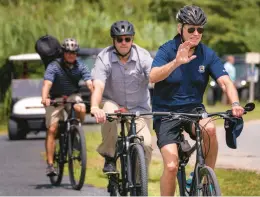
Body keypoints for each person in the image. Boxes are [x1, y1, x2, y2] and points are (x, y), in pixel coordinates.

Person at [149, 5, 244, 196]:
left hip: (193, 110)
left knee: (209, 128)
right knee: (171, 165)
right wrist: (177, 62)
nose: (196, 33)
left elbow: (226, 82)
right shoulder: (167, 50)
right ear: (180, 28)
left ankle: (205, 177)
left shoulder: (207, 54)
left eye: (200, 29)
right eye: (191, 29)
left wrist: (235, 103)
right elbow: (153, 76)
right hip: (166, 113)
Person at [90, 20, 153, 174]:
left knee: (146, 145)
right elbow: (98, 86)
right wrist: (94, 107)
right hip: (113, 103)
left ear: (132, 39)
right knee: (109, 111)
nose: (123, 43)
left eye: (127, 39)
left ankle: (139, 184)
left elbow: (155, 78)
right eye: (119, 39)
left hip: (139, 107)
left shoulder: (143, 56)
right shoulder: (104, 57)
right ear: (114, 40)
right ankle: (110, 157)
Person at [41, 38, 93, 176]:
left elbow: (89, 81)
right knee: (52, 129)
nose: (71, 55)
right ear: (63, 53)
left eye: (74, 53)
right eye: (68, 52)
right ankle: (50, 165)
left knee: (81, 108)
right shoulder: (54, 66)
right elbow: (47, 83)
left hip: (72, 96)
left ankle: (76, 130)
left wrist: (96, 96)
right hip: (55, 98)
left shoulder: (80, 65)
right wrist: (45, 98)